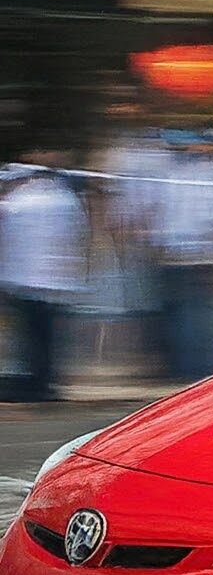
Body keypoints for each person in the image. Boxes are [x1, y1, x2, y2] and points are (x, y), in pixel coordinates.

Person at [144, 130, 213, 381]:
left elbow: (154, 213)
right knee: (201, 317)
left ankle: (180, 369)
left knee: (179, 315)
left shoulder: (167, 173)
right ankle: (199, 371)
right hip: (204, 255)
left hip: (172, 254)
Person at [0, 154, 89, 402]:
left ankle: (33, 383)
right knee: (48, 336)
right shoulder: (65, 198)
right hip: (55, 278)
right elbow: (75, 237)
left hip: (24, 279)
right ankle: (46, 382)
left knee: (30, 335)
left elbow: (8, 240)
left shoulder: (17, 201)